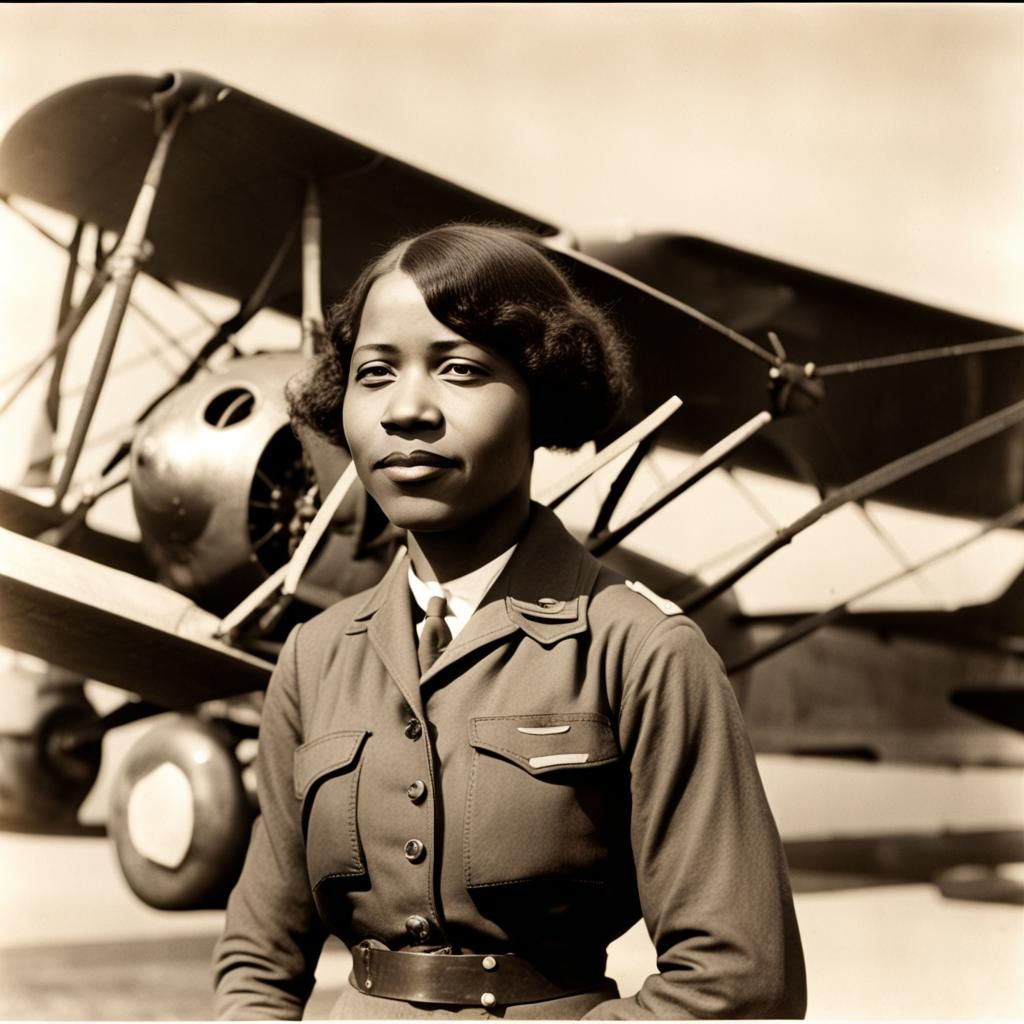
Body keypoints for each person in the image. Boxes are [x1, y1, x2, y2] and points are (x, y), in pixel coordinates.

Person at [213, 224, 806, 1019]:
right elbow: (256, 960)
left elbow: (739, 984)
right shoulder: (313, 659)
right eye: (375, 373)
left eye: (460, 369)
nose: (408, 411)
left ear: (543, 396)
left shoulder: (643, 652)